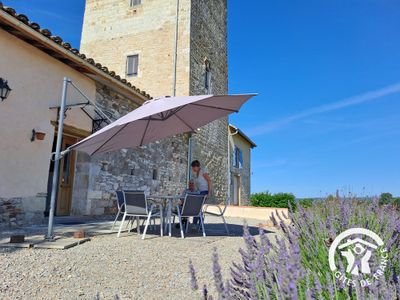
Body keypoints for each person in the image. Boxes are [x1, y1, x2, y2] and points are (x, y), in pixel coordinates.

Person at [191, 160, 212, 226]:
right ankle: (200, 224)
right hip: (200, 192)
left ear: (196, 166)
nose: (192, 169)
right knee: (197, 207)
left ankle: (195, 224)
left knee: (197, 207)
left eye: (193, 167)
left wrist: (209, 193)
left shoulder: (203, 171)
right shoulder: (196, 173)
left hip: (205, 192)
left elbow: (209, 181)